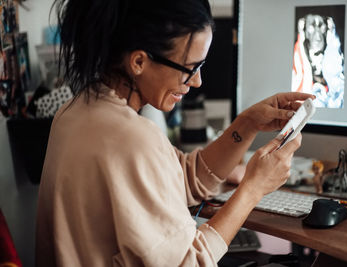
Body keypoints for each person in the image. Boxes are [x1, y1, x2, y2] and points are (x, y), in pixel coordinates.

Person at [36, 0, 314, 266]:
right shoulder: (133, 138)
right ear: (138, 62)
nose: (197, 81)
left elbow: (182, 181)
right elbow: (190, 263)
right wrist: (254, 188)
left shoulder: (73, 112)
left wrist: (248, 123)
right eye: (190, 69)